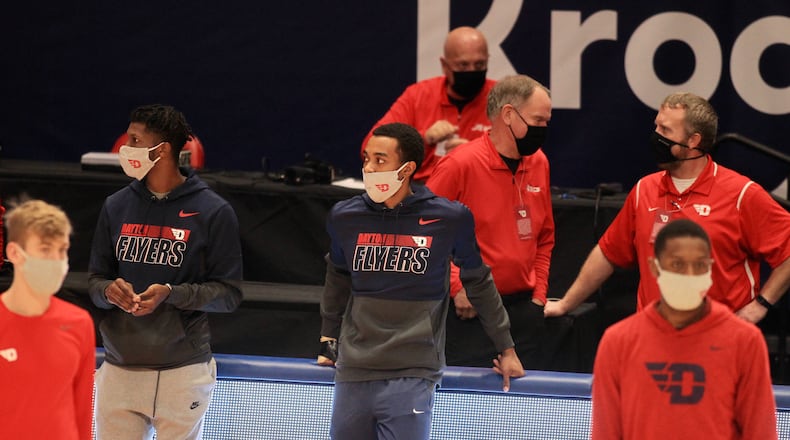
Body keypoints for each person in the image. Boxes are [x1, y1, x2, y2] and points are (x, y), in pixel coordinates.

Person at [319, 122, 524, 439]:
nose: (369, 168)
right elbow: (338, 276)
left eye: (380, 160)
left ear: (407, 168)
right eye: (366, 159)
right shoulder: (345, 216)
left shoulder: (449, 217)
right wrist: (327, 338)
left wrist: (506, 348)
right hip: (354, 369)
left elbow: (478, 281)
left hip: (414, 371)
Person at [545, 92, 790, 324]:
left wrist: (759, 306)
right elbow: (608, 252)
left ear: (693, 141)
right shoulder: (645, 190)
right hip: (653, 337)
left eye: (666, 130)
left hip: (720, 341)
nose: (656, 135)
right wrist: (567, 303)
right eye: (656, 126)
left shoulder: (741, 194)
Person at [88, 104, 243, 439]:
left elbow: (228, 294)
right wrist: (107, 291)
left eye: (134, 139)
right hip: (120, 365)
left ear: (163, 150)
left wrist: (172, 294)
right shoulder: (116, 205)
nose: (125, 148)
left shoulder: (213, 211)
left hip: (182, 369)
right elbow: (95, 280)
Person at [591, 218, 777, 439]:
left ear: (710, 269)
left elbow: (761, 432)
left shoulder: (745, 340)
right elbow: (605, 433)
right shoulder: (618, 342)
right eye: (678, 265)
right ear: (655, 267)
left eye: (699, 265)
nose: (690, 275)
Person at [426, 74, 554, 369]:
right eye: (538, 120)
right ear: (508, 114)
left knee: (522, 409)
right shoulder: (460, 164)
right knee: (465, 409)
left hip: (524, 312)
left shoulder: (539, 162)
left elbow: (545, 236)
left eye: (547, 121)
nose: (544, 128)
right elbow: (425, 233)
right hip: (471, 312)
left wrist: (539, 296)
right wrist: (458, 285)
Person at [0, 200, 95, 440]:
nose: (56, 260)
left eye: (62, 250)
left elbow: (82, 413)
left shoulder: (79, 322)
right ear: (14, 253)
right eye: (44, 249)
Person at [362, 26, 494, 181]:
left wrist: (475, 155)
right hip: (421, 193)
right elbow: (370, 146)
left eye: (479, 65)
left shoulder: (502, 99)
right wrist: (421, 139)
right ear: (445, 65)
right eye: (463, 65)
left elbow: (525, 160)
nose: (472, 71)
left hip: (478, 190)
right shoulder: (418, 95)